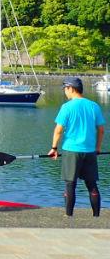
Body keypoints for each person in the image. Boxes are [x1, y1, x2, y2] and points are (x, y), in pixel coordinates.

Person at [48, 76, 105, 217]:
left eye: (65, 89)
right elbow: (101, 129)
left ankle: (68, 216)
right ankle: (96, 216)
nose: (65, 92)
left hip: (71, 151)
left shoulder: (66, 107)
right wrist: (98, 147)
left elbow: (58, 130)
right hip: (90, 151)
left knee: (70, 185)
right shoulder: (94, 106)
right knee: (92, 185)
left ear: (71, 89)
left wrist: (54, 148)